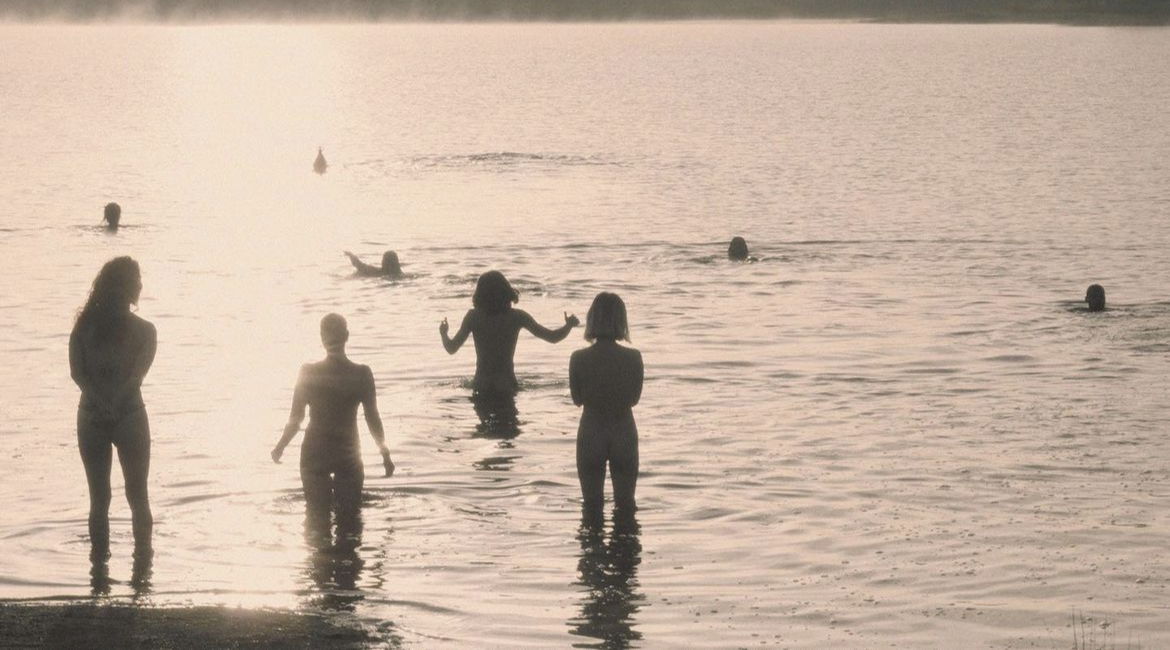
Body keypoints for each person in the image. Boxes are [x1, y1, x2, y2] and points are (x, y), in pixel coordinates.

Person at [272, 314, 394, 537]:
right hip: (348, 454)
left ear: (321, 337)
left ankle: (321, 557)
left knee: (316, 522)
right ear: (347, 336)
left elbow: (296, 419)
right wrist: (384, 453)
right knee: (350, 526)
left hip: (315, 454)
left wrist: (280, 447)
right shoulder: (362, 374)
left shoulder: (308, 372)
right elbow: (372, 418)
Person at [69, 256, 156, 571]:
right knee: (138, 495)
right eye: (137, 280)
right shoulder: (145, 330)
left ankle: (99, 569)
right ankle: (143, 568)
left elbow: (78, 375)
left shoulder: (84, 326)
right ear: (126, 286)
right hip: (129, 414)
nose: (141, 285)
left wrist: (102, 403)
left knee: (99, 499)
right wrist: (116, 404)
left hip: (91, 416)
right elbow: (136, 377)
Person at [439, 270, 579, 396]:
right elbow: (553, 337)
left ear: (480, 294)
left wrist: (444, 333)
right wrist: (569, 325)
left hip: (481, 384)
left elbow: (451, 348)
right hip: (506, 384)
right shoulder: (517, 316)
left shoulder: (473, 317)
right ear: (506, 291)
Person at [569, 292, 643, 516]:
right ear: (622, 320)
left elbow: (577, 399)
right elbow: (634, 399)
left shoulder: (578, 358)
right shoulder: (634, 357)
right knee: (626, 507)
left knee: (591, 509)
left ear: (591, 319)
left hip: (591, 431)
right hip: (623, 431)